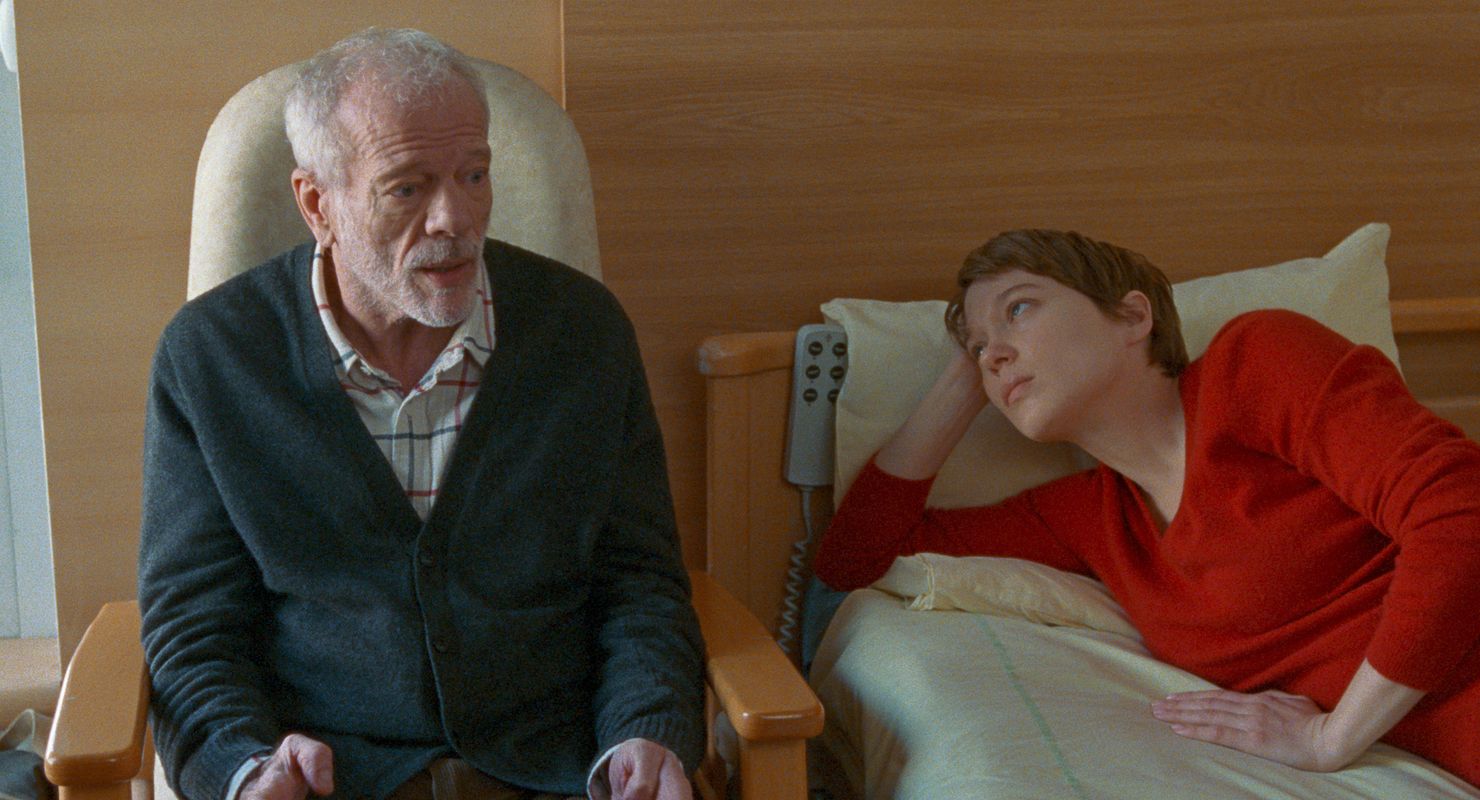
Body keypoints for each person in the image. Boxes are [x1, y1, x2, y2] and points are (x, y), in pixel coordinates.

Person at [138, 29, 703, 800]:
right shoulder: (211, 358)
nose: (454, 218)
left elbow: (640, 583)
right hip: (327, 780)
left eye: (475, 175)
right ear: (317, 204)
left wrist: (644, 729)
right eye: (407, 189)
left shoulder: (583, 333)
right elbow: (193, 628)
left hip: (558, 771)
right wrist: (246, 767)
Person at [813, 229, 1480, 786]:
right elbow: (854, 559)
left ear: (1133, 317)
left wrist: (1331, 738)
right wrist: (966, 381)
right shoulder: (1091, 518)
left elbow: (1459, 511)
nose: (996, 354)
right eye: (979, 348)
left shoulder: (1255, 365)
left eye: (1019, 309)